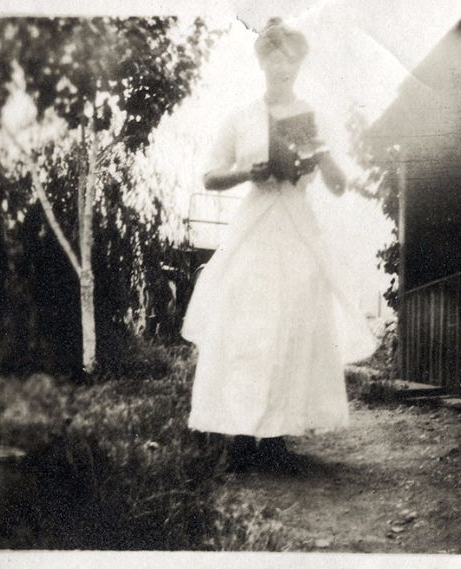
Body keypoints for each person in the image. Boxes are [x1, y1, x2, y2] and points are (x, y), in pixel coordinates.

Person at [181, 17, 375, 473]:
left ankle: (275, 435)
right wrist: (247, 172)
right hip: (255, 224)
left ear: (298, 67)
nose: (282, 72)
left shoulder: (312, 117)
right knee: (246, 326)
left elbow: (339, 186)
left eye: (290, 65)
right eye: (274, 63)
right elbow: (210, 175)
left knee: (291, 324)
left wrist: (320, 154)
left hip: (296, 227)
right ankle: (239, 432)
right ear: (262, 64)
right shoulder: (241, 117)